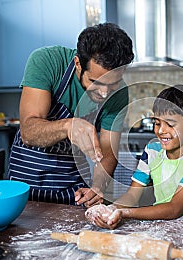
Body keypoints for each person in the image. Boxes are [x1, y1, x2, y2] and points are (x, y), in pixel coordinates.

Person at [8, 23, 134, 206]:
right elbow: (29, 132)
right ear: (77, 64)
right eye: (95, 82)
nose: (105, 93)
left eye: (113, 83)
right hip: (24, 187)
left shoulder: (120, 94)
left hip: (71, 189)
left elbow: (108, 150)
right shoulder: (47, 61)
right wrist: (68, 126)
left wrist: (98, 187)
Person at [86, 85, 183, 230]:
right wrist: (110, 209)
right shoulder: (152, 152)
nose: (161, 131)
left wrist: (124, 213)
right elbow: (132, 195)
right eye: (157, 123)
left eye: (170, 124)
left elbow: (174, 209)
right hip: (165, 224)